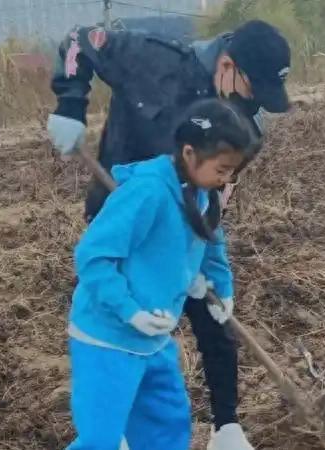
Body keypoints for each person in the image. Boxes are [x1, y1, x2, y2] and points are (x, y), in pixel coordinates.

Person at [47, 19, 292, 449]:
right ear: (228, 66)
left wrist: (209, 270)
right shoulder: (153, 60)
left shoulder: (244, 127)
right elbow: (79, 40)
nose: (251, 105)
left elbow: (215, 202)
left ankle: (225, 428)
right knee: (120, 326)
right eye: (252, 90)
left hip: (181, 233)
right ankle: (111, 430)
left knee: (211, 318)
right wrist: (70, 105)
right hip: (122, 221)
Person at [66, 98, 254, 450]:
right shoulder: (147, 192)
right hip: (107, 338)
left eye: (232, 171)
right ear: (189, 153)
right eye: (222, 169)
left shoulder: (202, 196)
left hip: (154, 340)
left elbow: (211, 242)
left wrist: (222, 288)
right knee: (100, 440)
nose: (226, 179)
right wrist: (129, 311)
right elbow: (93, 257)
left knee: (166, 430)